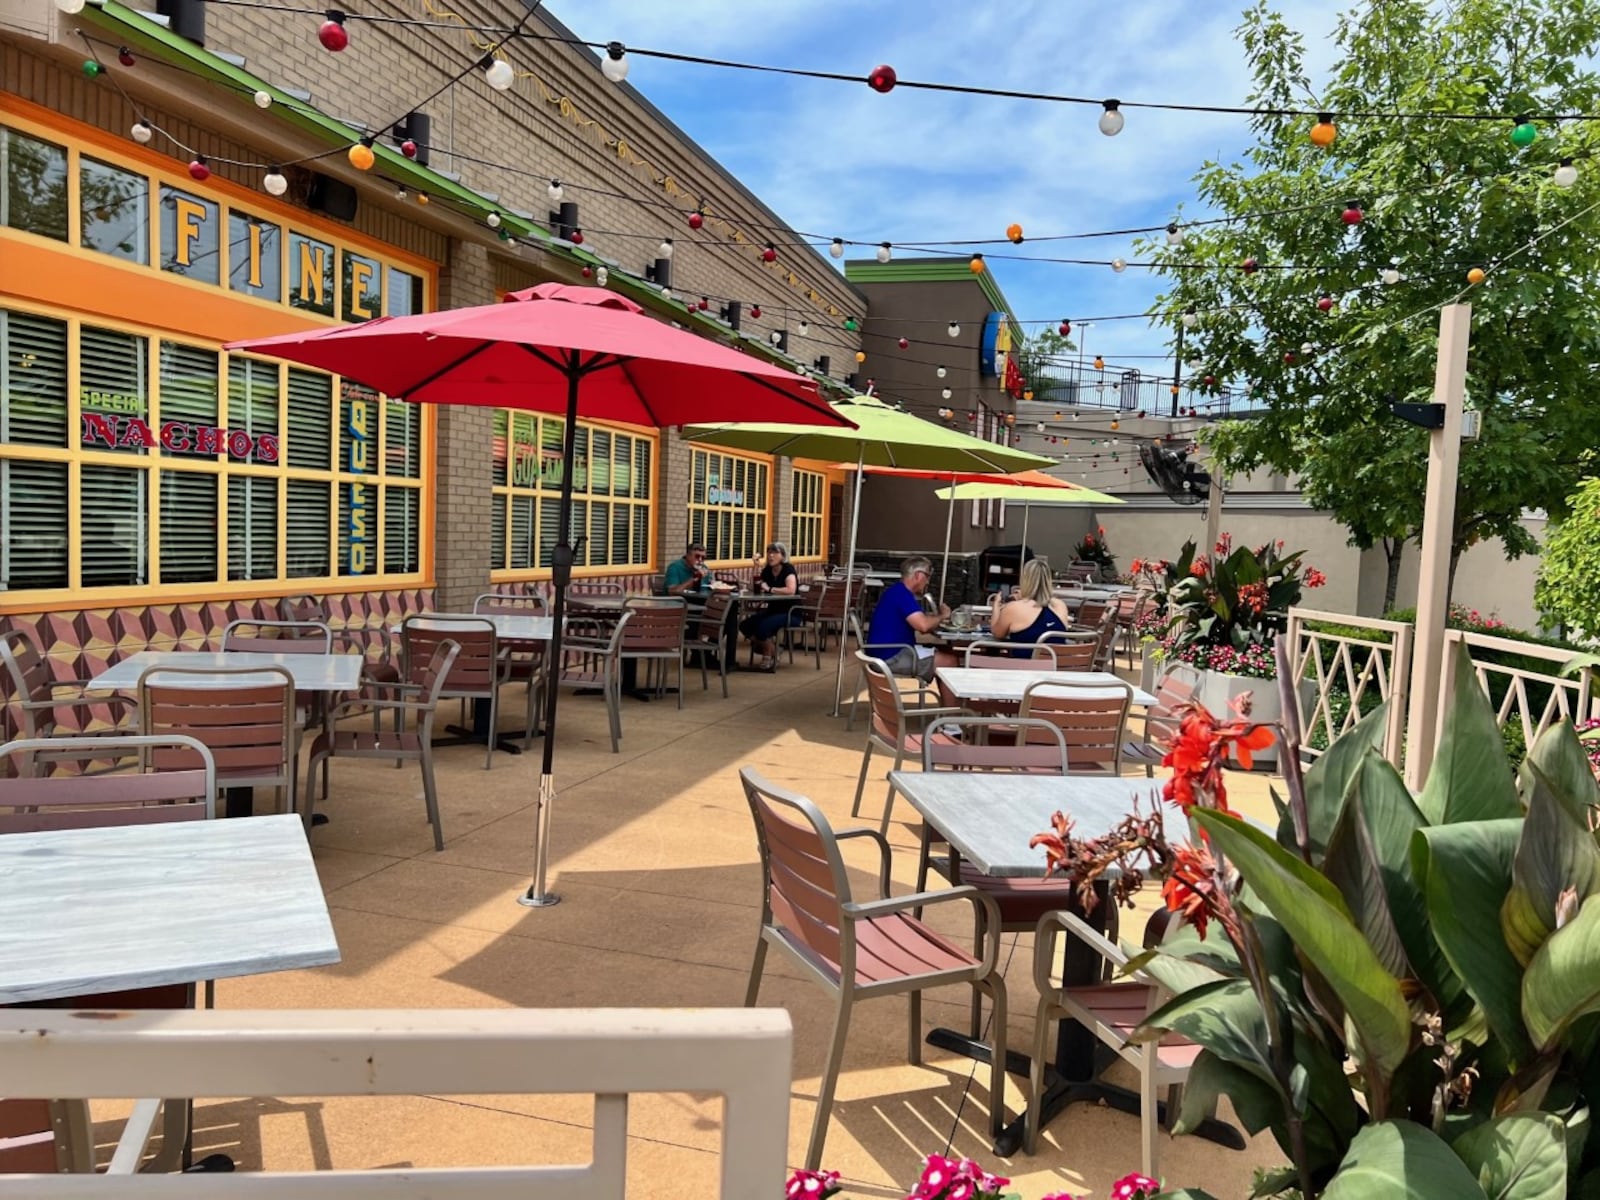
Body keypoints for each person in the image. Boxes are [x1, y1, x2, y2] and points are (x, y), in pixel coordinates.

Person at [865, 555, 949, 682]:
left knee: (946, 653)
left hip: (882, 652)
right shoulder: (902, 595)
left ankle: (948, 702)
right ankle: (950, 703)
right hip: (890, 656)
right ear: (918, 575)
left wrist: (934, 619)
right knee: (950, 661)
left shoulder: (896, 591)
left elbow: (921, 623)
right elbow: (923, 626)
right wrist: (943, 616)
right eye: (927, 576)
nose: (928, 582)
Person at [989, 557, 1071, 655]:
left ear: (1025, 580)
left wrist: (996, 606)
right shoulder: (1060, 605)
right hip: (1055, 667)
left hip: (1024, 668)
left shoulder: (1014, 608)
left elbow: (997, 633)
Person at [739, 542, 801, 671]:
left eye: (775, 553)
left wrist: (770, 589)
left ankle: (767, 655)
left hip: (790, 612)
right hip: (773, 611)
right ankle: (774, 650)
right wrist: (755, 567)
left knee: (763, 627)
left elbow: (791, 590)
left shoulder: (788, 569)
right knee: (745, 625)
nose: (770, 556)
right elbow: (753, 586)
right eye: (769, 552)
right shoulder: (767, 570)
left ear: (783, 556)